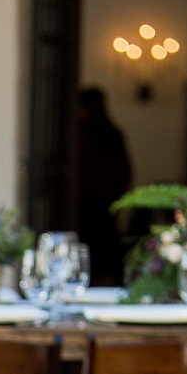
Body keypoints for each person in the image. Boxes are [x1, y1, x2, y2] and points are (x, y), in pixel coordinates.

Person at [77, 86, 133, 285]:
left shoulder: (108, 134)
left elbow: (124, 171)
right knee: (91, 250)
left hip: (101, 202)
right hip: (89, 202)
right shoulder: (82, 132)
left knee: (102, 251)